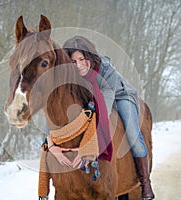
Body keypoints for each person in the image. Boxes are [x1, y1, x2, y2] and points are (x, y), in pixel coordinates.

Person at [47, 35, 154, 199]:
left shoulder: (105, 69)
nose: (79, 65)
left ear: (89, 57)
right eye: (73, 61)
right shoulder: (71, 75)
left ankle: (145, 183)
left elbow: (105, 100)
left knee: (132, 133)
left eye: (82, 59)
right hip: (94, 99)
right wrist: (50, 139)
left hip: (120, 96)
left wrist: (90, 113)